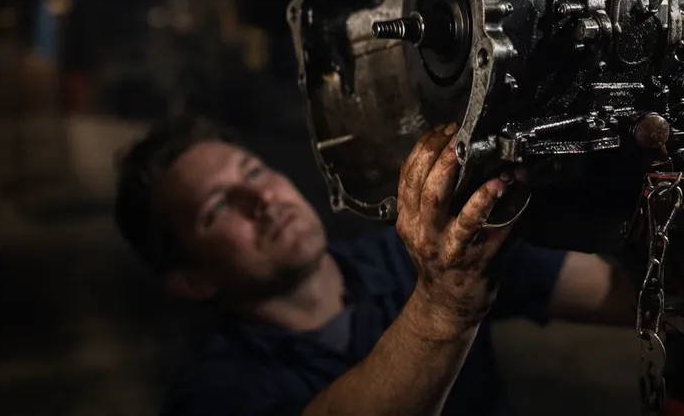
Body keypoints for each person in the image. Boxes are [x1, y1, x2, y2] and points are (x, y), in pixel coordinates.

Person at [113, 115, 635, 416]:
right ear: (191, 279)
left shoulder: (400, 257)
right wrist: (443, 309)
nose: (261, 199)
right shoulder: (210, 395)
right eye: (219, 207)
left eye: (254, 171)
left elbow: (622, 292)